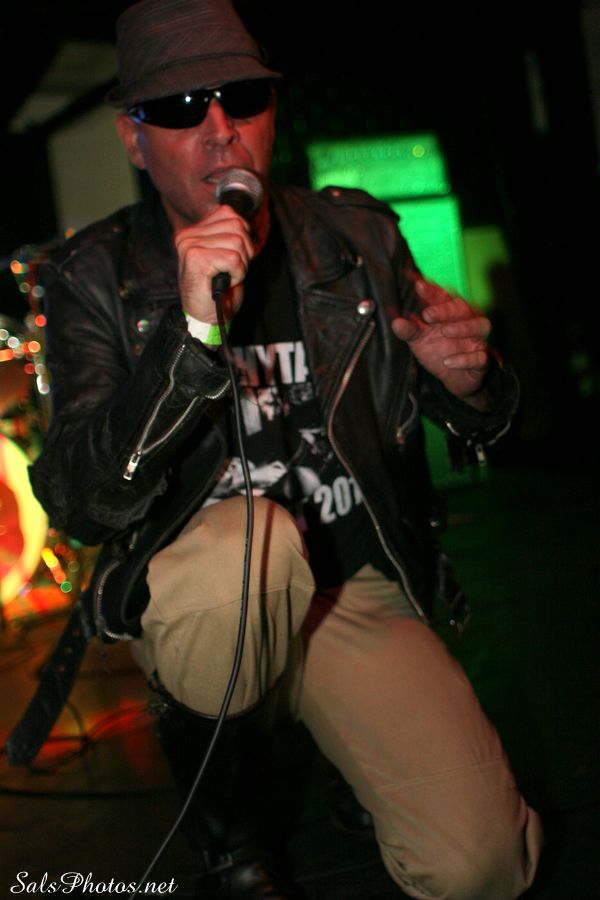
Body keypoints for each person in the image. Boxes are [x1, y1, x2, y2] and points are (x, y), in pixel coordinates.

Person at [18, 0, 543, 897]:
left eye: (244, 96)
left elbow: (479, 423)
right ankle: (231, 834)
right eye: (180, 108)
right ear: (133, 138)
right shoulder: (92, 278)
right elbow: (81, 501)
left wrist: (472, 382)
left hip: (348, 590)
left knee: (482, 865)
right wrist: (189, 334)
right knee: (241, 552)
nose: (220, 128)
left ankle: (354, 757)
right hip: (210, 595)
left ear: (272, 114)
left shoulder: (356, 237)